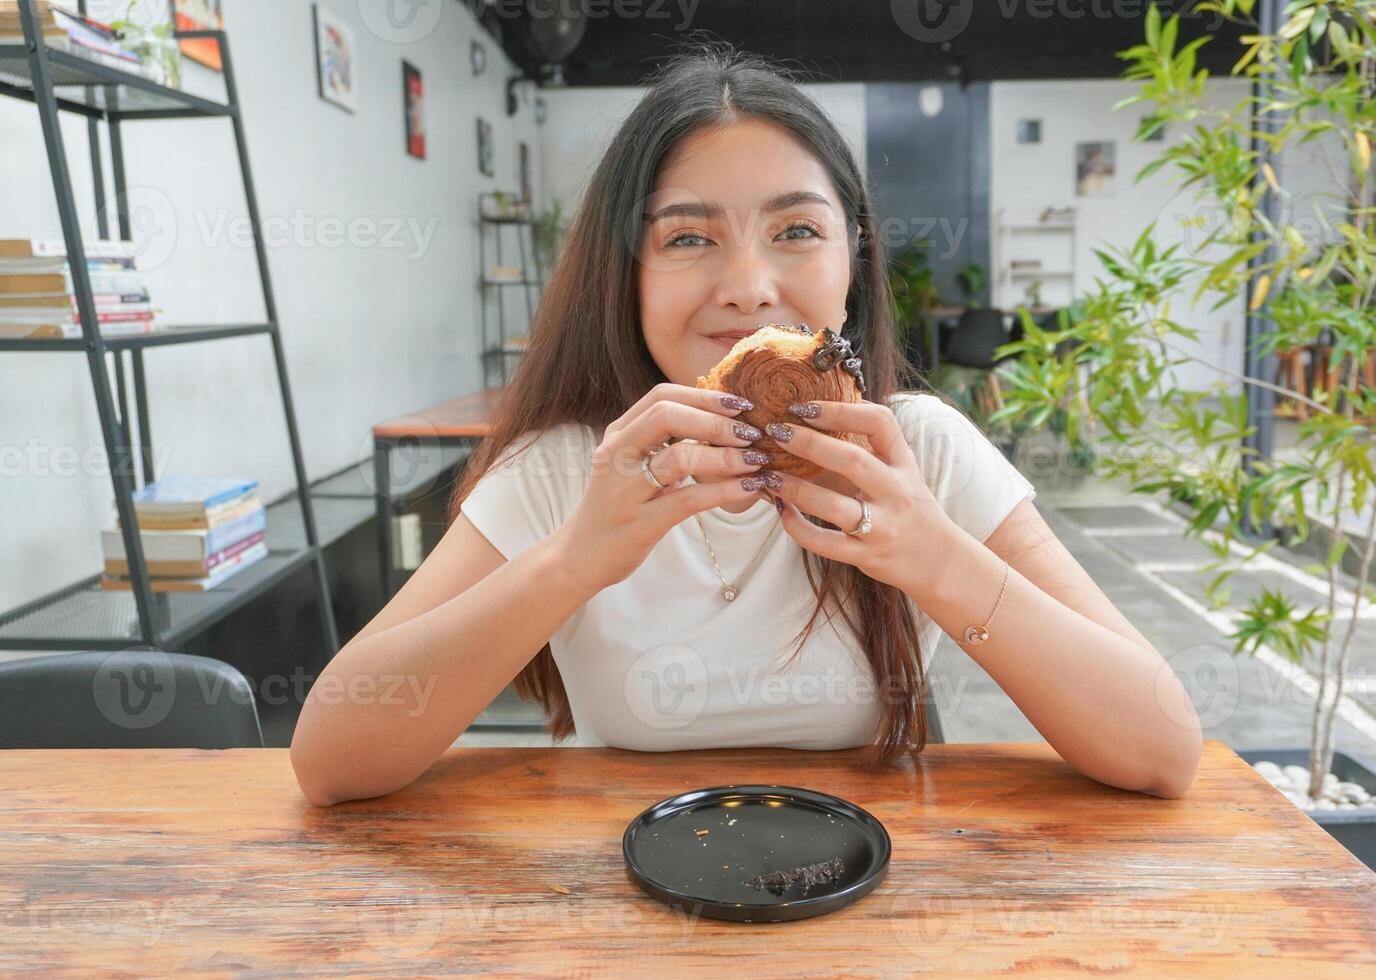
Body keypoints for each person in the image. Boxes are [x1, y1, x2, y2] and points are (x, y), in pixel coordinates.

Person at [290, 43, 1201, 807]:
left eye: (797, 231)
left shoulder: (920, 450)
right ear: (627, 274)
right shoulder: (572, 467)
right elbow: (331, 761)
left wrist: (935, 555)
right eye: (688, 238)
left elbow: (1161, 750)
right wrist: (575, 560)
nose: (749, 285)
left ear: (852, 258)